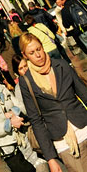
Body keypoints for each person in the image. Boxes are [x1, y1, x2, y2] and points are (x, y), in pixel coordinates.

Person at [18, 31, 87, 172]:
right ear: (25, 55)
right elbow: (36, 120)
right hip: (64, 143)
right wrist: (50, 158)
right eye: (32, 53)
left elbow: (84, 93)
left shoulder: (61, 65)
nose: (38, 55)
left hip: (84, 125)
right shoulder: (26, 81)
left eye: (39, 49)